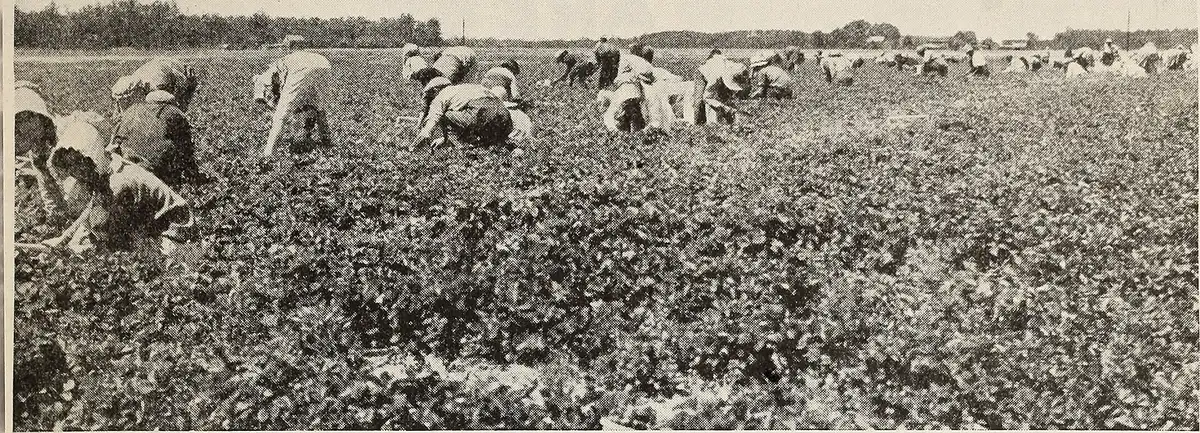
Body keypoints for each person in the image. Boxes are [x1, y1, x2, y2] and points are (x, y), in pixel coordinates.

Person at [39, 148, 193, 256]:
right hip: (153, 226)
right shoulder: (108, 166)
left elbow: (115, 235)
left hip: (176, 233)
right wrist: (65, 238)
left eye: (79, 165)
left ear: (90, 158)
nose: (77, 174)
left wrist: (76, 249)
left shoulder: (117, 182)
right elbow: (91, 208)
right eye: (71, 169)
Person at [108, 90, 200, 186]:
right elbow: (186, 149)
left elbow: (117, 140)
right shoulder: (172, 112)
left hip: (133, 168)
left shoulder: (133, 110)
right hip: (159, 168)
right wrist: (194, 175)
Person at [253, 49, 333, 157]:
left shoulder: (263, 79)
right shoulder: (280, 65)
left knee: (281, 115)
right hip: (324, 64)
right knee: (319, 107)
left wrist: (276, 107)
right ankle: (326, 142)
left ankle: (269, 153)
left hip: (302, 68)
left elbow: (269, 96)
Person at [412, 77, 513, 149]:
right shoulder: (467, 87)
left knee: (445, 115)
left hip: (481, 113)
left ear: (435, 90)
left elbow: (433, 119)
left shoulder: (442, 95)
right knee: (489, 140)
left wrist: (423, 134)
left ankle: (460, 146)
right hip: (505, 118)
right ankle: (497, 144)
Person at [15, 81, 66, 218]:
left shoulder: (62, 138)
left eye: (29, 119)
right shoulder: (37, 149)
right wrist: (53, 214)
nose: (23, 131)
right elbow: (45, 185)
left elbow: (73, 185)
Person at [111, 57, 199, 113]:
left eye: (126, 100)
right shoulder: (132, 82)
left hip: (182, 74)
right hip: (165, 68)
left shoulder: (154, 90)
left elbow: (173, 98)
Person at [693, 53, 747, 126]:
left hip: (719, 72)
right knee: (699, 101)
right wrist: (723, 107)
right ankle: (696, 124)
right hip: (702, 74)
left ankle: (725, 121)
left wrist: (729, 107)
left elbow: (728, 97)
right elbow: (707, 98)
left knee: (723, 98)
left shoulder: (736, 69)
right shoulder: (715, 78)